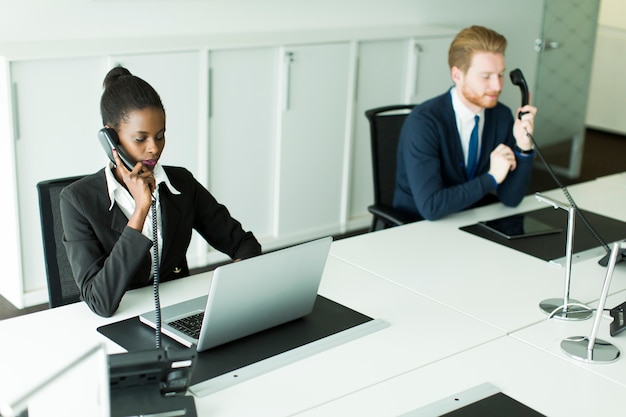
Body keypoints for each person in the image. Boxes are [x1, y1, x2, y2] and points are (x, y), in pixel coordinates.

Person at [60, 66, 261, 317]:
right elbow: (100, 303)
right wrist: (141, 210)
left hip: (178, 313)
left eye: (160, 135)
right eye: (140, 139)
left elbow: (244, 244)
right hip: (121, 319)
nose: (154, 149)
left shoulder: (181, 183)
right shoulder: (77, 201)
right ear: (110, 138)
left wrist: (229, 291)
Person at [393, 25, 537, 221]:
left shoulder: (501, 116)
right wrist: (491, 178)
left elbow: (511, 199)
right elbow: (431, 207)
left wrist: (524, 148)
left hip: (468, 222)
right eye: (486, 76)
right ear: (457, 75)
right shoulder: (424, 123)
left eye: (501, 74)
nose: (497, 86)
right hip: (417, 229)